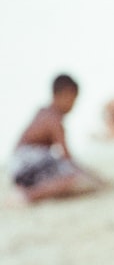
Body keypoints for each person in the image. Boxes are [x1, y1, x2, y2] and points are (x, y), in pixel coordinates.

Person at [7, 73, 104, 204]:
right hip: (28, 162)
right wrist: (92, 176)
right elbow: (67, 157)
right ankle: (28, 196)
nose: (73, 106)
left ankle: (25, 191)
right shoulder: (54, 119)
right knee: (73, 178)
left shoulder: (43, 112)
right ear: (64, 94)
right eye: (73, 100)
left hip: (18, 165)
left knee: (67, 172)